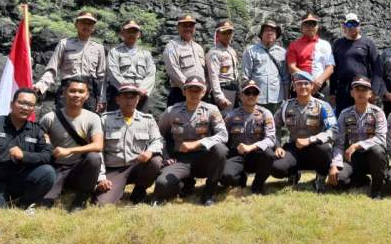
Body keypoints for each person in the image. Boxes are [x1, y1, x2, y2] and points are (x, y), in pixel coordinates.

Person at [156, 76, 228, 205]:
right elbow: (158, 136)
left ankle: (209, 192)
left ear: (203, 92)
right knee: (162, 185)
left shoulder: (212, 110)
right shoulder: (171, 111)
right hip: (181, 159)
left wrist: (197, 143)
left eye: (197, 90)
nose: (194, 93)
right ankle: (186, 184)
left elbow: (223, 135)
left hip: (204, 158)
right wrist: (166, 156)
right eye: (190, 90)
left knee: (221, 149)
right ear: (184, 92)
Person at [39, 77, 103, 210]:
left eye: (81, 91)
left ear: (87, 95)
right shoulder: (49, 118)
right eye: (72, 91)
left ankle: (81, 198)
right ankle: (58, 188)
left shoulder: (93, 118)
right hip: (56, 168)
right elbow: (40, 141)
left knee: (94, 157)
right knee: (44, 203)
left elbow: (98, 145)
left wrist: (70, 151)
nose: (76, 95)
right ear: (64, 93)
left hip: (79, 169)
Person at [96, 85, 165, 205]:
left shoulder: (147, 120)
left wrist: (149, 151)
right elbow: (98, 150)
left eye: (133, 97)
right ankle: (115, 189)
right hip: (114, 169)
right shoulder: (105, 120)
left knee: (156, 161)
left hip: (137, 166)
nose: (129, 101)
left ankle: (140, 189)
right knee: (102, 204)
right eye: (125, 97)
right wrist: (101, 177)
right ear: (118, 100)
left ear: (138, 100)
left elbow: (157, 140)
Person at [270, 71, 337, 193]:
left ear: (312, 86)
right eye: (299, 84)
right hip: (295, 147)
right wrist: (277, 146)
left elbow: (333, 131)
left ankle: (321, 177)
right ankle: (293, 174)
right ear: (294, 87)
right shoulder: (286, 106)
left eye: (306, 83)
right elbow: (273, 128)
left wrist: (310, 140)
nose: (303, 87)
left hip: (316, 148)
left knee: (324, 149)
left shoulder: (323, 106)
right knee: (276, 168)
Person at [327, 76, 388, 199]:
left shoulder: (378, 113)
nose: (360, 93)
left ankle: (377, 190)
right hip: (353, 158)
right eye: (357, 89)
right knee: (338, 181)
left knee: (378, 151)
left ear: (370, 93)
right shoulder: (344, 114)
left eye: (364, 90)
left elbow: (381, 138)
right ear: (352, 93)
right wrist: (334, 165)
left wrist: (357, 145)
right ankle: (362, 180)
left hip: (373, 157)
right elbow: (339, 143)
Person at [34, 11, 107, 112]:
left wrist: (101, 99)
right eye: (83, 22)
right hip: (67, 89)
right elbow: (52, 68)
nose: (86, 26)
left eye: (90, 23)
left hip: (90, 93)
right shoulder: (64, 44)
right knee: (64, 122)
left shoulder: (99, 48)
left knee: (87, 123)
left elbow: (101, 76)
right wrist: (40, 86)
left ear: (93, 27)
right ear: (76, 24)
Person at [220, 80, 276, 195]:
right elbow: (222, 136)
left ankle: (257, 185)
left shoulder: (266, 114)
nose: (251, 95)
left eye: (254, 93)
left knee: (269, 155)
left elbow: (271, 138)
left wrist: (251, 147)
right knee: (226, 177)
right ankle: (241, 179)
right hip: (237, 154)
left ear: (258, 96)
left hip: (257, 154)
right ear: (241, 96)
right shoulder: (231, 115)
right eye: (247, 93)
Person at [331, 13, 383, 115]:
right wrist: (332, 92)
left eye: (354, 24)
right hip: (343, 90)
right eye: (349, 24)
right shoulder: (338, 44)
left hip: (363, 88)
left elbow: (377, 68)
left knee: (366, 119)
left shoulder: (368, 43)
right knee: (343, 120)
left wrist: (374, 91)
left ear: (359, 25)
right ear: (344, 26)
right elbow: (334, 70)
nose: (352, 27)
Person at [106, 20, 156, 112]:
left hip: (141, 94)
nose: (132, 34)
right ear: (122, 33)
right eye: (129, 31)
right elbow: (113, 72)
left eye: (135, 31)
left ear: (139, 34)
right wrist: (127, 88)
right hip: (120, 93)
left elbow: (151, 74)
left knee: (141, 123)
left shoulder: (146, 54)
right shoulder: (114, 52)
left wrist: (141, 90)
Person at [242, 19, 289, 113]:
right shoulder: (251, 50)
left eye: (273, 31)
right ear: (261, 34)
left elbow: (286, 78)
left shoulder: (282, 52)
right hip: (257, 97)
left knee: (275, 125)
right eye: (267, 30)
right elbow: (245, 76)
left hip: (277, 98)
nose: (270, 33)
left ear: (276, 35)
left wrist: (286, 98)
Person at [286, 13, 334, 99]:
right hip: (300, 86)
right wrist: (309, 81)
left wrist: (319, 81)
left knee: (322, 111)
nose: (310, 27)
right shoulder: (294, 45)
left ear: (317, 27)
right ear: (301, 28)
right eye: (307, 24)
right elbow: (291, 67)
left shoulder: (325, 44)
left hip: (320, 86)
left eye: (313, 24)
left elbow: (330, 67)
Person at [163, 14, 206, 107]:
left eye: (191, 26)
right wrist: (188, 86)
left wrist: (204, 87)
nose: (188, 28)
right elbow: (172, 70)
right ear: (178, 27)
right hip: (180, 92)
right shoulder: (172, 46)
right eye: (184, 26)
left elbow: (204, 71)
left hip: (199, 92)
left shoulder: (199, 47)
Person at [206, 19, 240, 111]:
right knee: (222, 119)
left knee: (233, 120)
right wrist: (219, 97)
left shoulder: (231, 51)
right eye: (224, 33)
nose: (227, 35)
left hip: (233, 88)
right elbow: (213, 76)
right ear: (218, 34)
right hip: (223, 89)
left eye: (229, 32)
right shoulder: (214, 53)